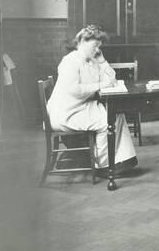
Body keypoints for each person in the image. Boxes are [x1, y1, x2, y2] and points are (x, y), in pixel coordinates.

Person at [46, 24, 138, 172]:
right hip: (66, 112)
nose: (97, 50)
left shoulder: (93, 60)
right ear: (82, 41)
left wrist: (102, 61)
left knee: (117, 115)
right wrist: (101, 85)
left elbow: (112, 79)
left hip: (81, 106)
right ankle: (102, 166)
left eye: (99, 47)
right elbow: (74, 90)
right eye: (95, 45)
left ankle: (122, 160)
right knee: (107, 122)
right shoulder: (70, 61)